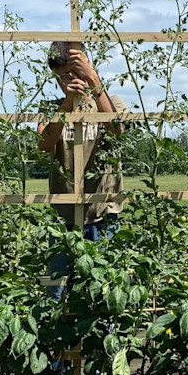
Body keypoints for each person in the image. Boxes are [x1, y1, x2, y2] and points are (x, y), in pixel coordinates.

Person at [38, 42, 126, 297]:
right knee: (57, 293)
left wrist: (93, 80)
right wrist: (67, 103)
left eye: (75, 72)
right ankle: (58, 338)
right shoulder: (51, 108)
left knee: (105, 293)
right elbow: (44, 145)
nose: (70, 79)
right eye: (62, 75)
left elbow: (117, 130)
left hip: (103, 213)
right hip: (63, 218)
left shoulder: (112, 103)